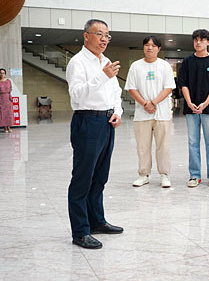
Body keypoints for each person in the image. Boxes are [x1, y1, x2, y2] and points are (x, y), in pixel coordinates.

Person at [66, 19, 124, 249]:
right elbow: (77, 95)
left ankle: (96, 221)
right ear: (85, 36)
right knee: (83, 178)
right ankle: (80, 231)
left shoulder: (106, 61)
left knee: (100, 177)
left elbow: (116, 92)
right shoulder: (77, 62)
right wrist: (102, 76)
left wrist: (118, 112)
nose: (103, 39)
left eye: (107, 35)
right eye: (99, 33)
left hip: (107, 121)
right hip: (87, 121)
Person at [126, 35, 176, 188]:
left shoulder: (164, 66)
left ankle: (164, 175)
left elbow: (168, 88)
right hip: (142, 114)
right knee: (143, 146)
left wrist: (153, 103)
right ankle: (143, 174)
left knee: (163, 146)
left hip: (162, 113)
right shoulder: (136, 66)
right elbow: (131, 88)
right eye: (147, 45)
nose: (150, 48)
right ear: (143, 47)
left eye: (153, 45)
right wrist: (145, 104)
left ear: (159, 48)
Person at [178, 29, 209, 188]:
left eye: (202, 40)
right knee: (193, 142)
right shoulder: (187, 61)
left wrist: (205, 103)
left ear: (208, 42)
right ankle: (194, 176)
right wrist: (189, 102)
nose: (198, 42)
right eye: (196, 40)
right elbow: (183, 84)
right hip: (191, 108)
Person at [0, 68, 14, 133]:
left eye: (3, 73)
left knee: (9, 113)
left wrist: (7, 94)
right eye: (0, 73)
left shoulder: (8, 81)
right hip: (1, 98)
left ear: (5, 74)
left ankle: (9, 127)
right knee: (2, 113)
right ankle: (5, 127)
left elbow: (10, 88)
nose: (2, 74)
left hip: (8, 98)